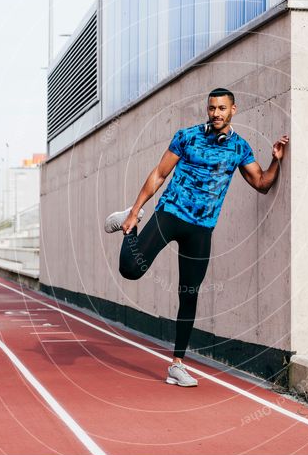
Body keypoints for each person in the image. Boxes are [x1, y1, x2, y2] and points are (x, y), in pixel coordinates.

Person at [104, 87, 289, 387]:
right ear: (208, 109)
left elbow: (262, 183)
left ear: (233, 110)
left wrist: (276, 160)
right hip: (170, 214)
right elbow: (159, 174)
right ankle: (131, 224)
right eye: (212, 108)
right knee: (130, 269)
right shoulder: (186, 137)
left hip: (202, 230)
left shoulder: (239, 148)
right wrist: (136, 209)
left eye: (222, 108)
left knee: (188, 295)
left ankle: (177, 364)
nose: (216, 113)